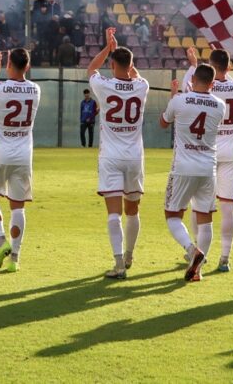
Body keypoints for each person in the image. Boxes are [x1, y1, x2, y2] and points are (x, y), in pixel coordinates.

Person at [87, 27, 149, 279]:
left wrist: (107, 48)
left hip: (111, 157)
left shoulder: (104, 85)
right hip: (134, 157)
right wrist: (124, 60)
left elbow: (91, 69)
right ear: (132, 64)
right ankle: (130, 254)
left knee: (114, 213)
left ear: (112, 64)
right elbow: (134, 74)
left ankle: (118, 264)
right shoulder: (142, 85)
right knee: (133, 211)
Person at [159, 66, 225, 282]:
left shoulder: (180, 100)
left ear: (193, 79)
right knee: (205, 219)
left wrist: (173, 96)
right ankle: (198, 270)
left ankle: (191, 249)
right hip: (208, 168)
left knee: (172, 215)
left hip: (183, 167)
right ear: (213, 84)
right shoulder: (220, 105)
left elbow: (164, 123)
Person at [181, 46, 233, 273]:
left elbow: (189, 85)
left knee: (200, 208)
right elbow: (226, 73)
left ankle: (199, 253)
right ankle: (225, 258)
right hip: (230, 153)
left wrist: (194, 64)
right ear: (228, 66)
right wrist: (221, 60)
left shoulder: (205, 86)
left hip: (207, 151)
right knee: (228, 209)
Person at [0, 49, 40, 273]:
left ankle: (0, 240)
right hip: (24, 156)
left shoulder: (0, 89)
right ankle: (15, 259)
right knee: (18, 207)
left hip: (0, 154)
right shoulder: (35, 89)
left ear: (8, 65)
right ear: (28, 65)